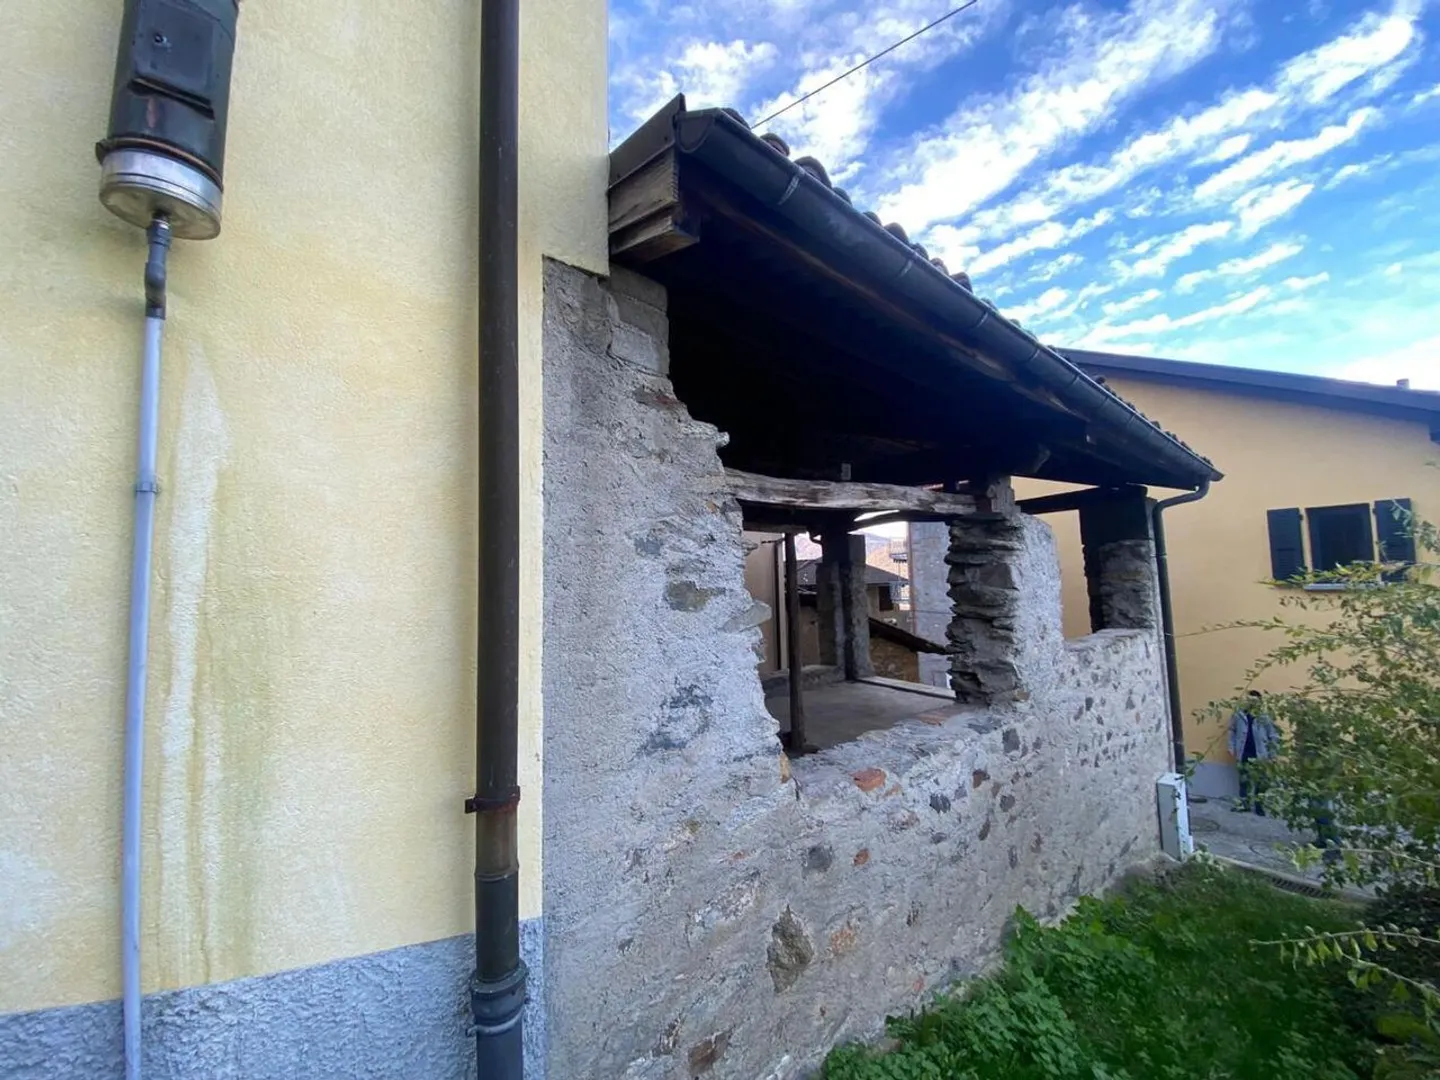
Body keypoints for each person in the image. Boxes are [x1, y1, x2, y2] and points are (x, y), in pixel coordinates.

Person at [1227, 690, 1279, 814]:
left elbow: (1273, 736)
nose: (1252, 703)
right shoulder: (1239, 715)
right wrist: (1231, 747)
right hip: (1244, 751)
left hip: (1260, 753)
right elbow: (1232, 730)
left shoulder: (1265, 717)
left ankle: (1259, 806)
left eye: (1255, 701)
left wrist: (1273, 754)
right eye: (1250, 700)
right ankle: (1243, 804)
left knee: (1260, 781)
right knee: (1243, 780)